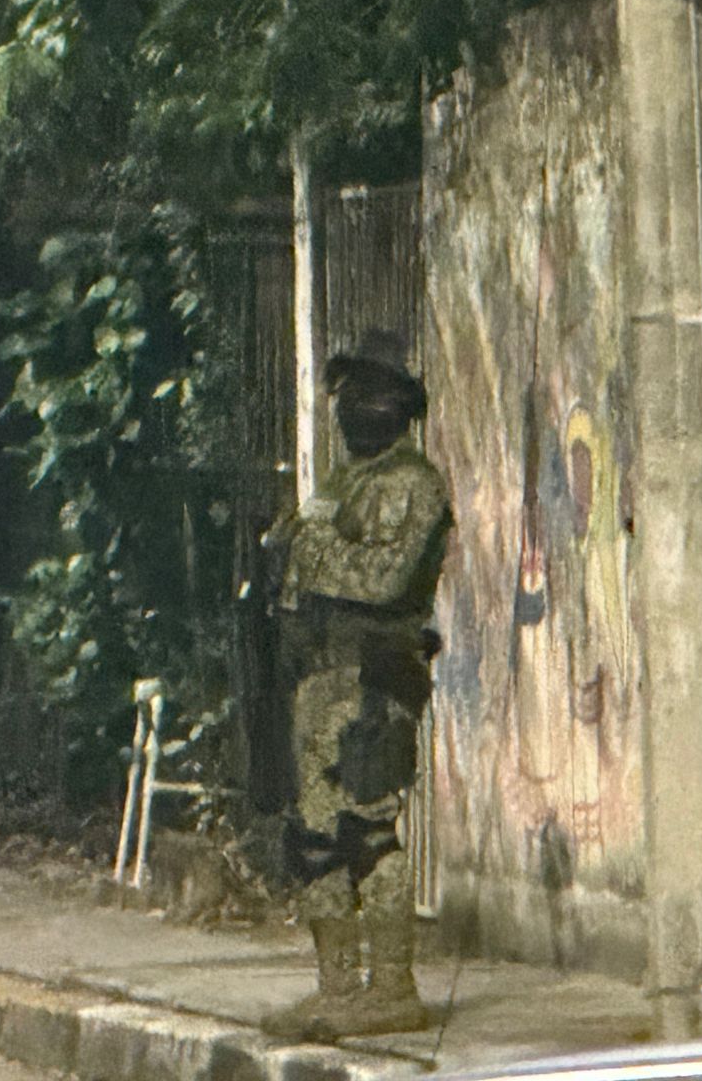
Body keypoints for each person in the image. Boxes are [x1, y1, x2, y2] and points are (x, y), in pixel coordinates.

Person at [260, 329, 453, 1042]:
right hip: (321, 679)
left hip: (373, 681)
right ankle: (337, 989)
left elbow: (383, 580)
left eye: (372, 393)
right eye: (348, 392)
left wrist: (310, 546)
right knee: (315, 840)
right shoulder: (344, 483)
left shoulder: (413, 484)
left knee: (369, 832)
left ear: (400, 406)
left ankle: (393, 988)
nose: (354, 406)